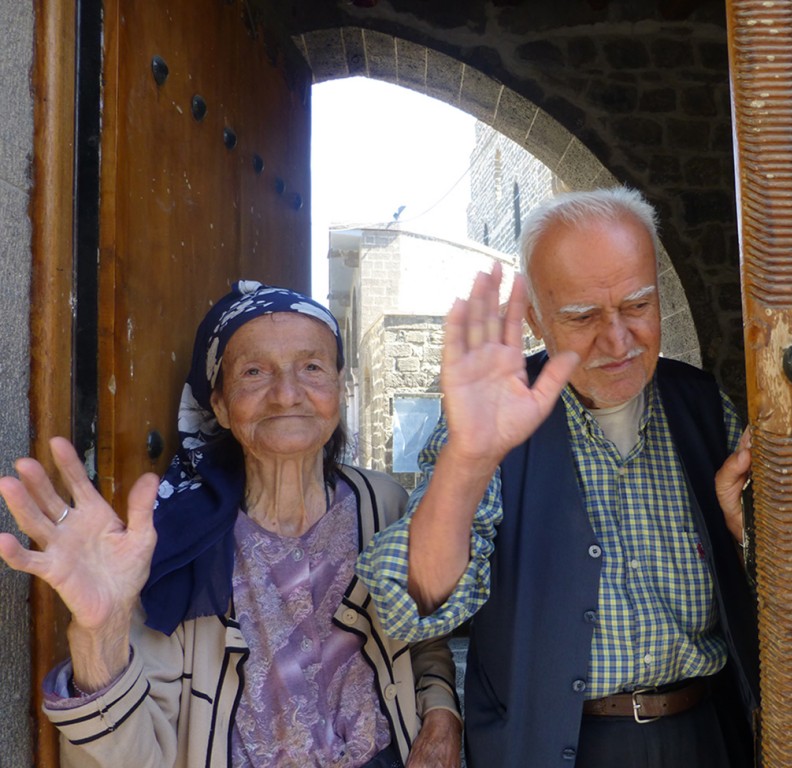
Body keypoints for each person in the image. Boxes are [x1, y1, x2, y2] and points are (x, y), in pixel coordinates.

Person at [356, 187, 760, 768]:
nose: (618, 340)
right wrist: (469, 458)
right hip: (555, 749)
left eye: (638, 307)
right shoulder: (495, 413)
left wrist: (744, 532)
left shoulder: (703, 409)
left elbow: (782, 590)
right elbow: (413, 603)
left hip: (704, 737)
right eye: (584, 316)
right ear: (537, 320)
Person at [0, 281, 462, 768]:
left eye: (311, 367)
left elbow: (422, 636)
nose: (286, 394)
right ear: (219, 405)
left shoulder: (384, 503)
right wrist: (100, 633)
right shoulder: (178, 537)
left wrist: (441, 710)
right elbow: (129, 758)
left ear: (340, 388)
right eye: (255, 372)